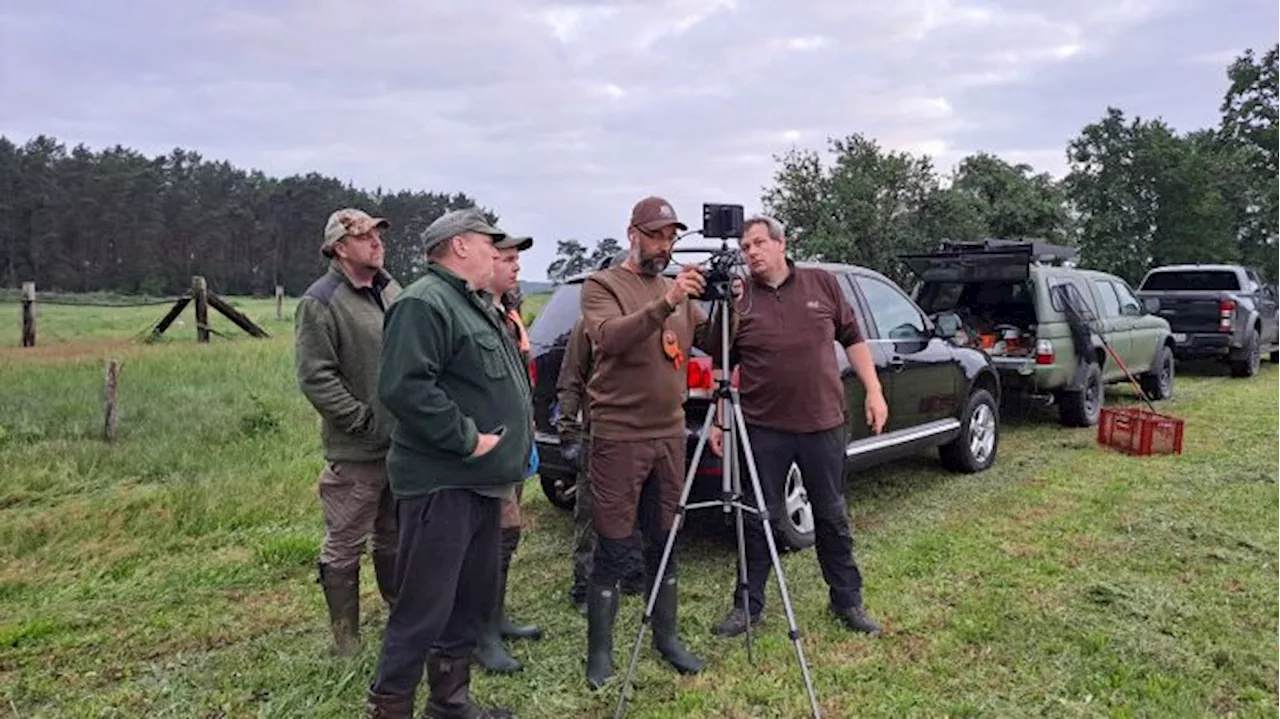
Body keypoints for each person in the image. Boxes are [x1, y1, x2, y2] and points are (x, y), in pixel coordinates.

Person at [364, 207, 530, 719]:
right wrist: (465, 439)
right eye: (488, 243)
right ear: (460, 246)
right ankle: (389, 707)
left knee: (467, 603)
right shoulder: (424, 302)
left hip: (480, 486)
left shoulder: (472, 303)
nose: (494, 253)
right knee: (423, 609)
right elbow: (405, 387)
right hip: (443, 485)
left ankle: (449, 704)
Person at [579, 196, 736, 689]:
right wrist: (667, 302)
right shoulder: (602, 285)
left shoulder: (680, 291)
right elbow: (610, 338)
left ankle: (665, 638)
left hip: (669, 434)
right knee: (613, 543)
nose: (664, 245)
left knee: (667, 538)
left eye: (670, 237)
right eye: (655, 235)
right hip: (619, 435)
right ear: (633, 233)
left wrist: (731, 300)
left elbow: (715, 344)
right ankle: (599, 655)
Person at [707, 214, 888, 640]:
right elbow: (720, 361)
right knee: (758, 519)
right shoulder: (739, 297)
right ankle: (747, 608)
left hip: (822, 423)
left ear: (781, 243)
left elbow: (853, 337)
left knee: (831, 515)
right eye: (744, 246)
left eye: (757, 243)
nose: (750, 252)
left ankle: (847, 600)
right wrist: (718, 418)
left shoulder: (821, 283)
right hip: (763, 430)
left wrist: (874, 391)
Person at [295, 207, 402, 658]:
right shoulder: (320, 301)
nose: (377, 243)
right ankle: (347, 643)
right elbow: (316, 376)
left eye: (379, 235)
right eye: (365, 237)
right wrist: (361, 421)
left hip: (403, 446)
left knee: (394, 535)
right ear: (340, 247)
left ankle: (402, 619)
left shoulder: (391, 289)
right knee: (344, 543)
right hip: (357, 451)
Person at [472, 229, 544, 674]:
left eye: (517, 259)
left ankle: (496, 617)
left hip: (516, 441)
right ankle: (479, 633)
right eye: (507, 258)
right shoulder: (476, 314)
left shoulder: (508, 311)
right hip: (486, 447)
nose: (516, 266)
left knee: (508, 534)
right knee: (490, 538)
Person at [559, 268, 646, 616]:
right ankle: (584, 586)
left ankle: (634, 575)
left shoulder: (647, 321)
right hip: (600, 433)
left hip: (641, 433)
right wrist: (568, 433)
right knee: (592, 513)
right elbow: (570, 379)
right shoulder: (589, 326)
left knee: (637, 510)